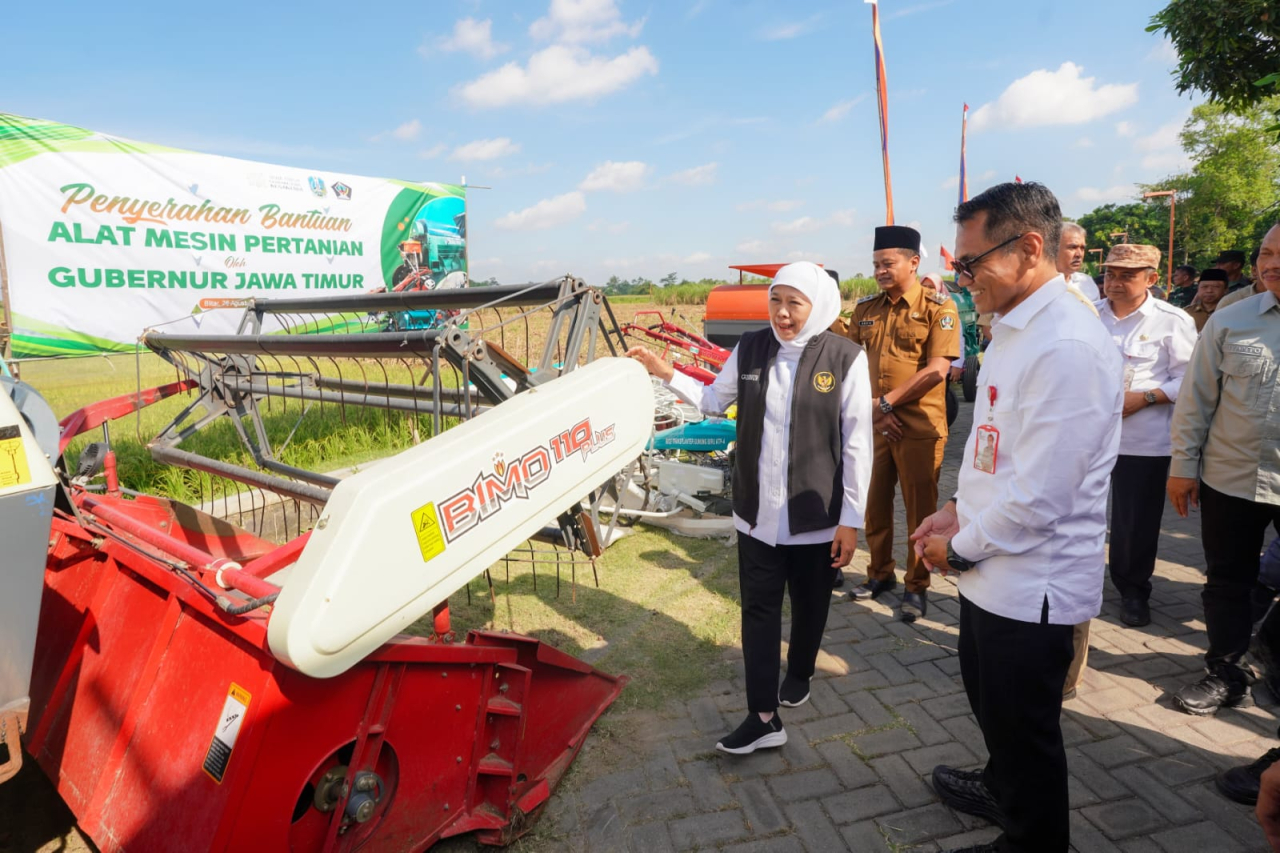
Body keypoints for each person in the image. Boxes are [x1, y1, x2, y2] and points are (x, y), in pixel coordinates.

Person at [911, 182, 1123, 853]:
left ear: (1032, 247)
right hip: (991, 566)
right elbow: (993, 450)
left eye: (972, 264)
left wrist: (958, 547)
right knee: (992, 704)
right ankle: (1001, 785)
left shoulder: (1066, 345)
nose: (964, 278)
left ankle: (1032, 839)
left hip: (1032, 582)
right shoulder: (1013, 329)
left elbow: (1041, 494)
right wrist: (951, 510)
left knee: (1025, 727)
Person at [627, 261, 873, 754]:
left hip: (816, 515)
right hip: (757, 511)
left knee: (810, 605)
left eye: (794, 303)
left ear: (817, 305)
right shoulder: (752, 347)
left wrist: (851, 521)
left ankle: (800, 668)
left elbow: (857, 443)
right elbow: (714, 401)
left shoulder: (845, 358)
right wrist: (665, 371)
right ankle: (763, 716)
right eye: (776, 301)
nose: (782, 313)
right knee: (758, 611)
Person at [1169, 223, 1280, 716]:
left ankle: (1268, 660)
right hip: (1230, 477)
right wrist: (1181, 467)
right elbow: (1196, 398)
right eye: (1265, 252)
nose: (1271, 262)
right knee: (1226, 582)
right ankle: (1226, 671)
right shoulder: (1232, 318)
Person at [846, 226, 961, 622]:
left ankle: (916, 586)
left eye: (887, 263)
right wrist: (873, 411)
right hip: (875, 426)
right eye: (876, 264)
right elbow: (850, 364)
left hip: (918, 427)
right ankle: (879, 575)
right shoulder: (865, 310)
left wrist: (886, 404)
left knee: (921, 512)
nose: (879, 270)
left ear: (913, 263)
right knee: (874, 506)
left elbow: (937, 370)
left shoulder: (938, 308)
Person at [1095, 244, 1197, 627]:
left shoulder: (1173, 321)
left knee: (1135, 522)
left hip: (1144, 439)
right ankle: (1076, 578)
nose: (1115, 282)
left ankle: (1133, 589)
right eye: (1110, 274)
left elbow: (1190, 377)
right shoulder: (1090, 317)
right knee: (1076, 510)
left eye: (1127, 275)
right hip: (1091, 435)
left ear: (1152, 279)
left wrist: (1149, 397)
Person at [1058, 221, 1101, 301]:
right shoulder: (1037, 285)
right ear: (1054, 248)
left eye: (1082, 248)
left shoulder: (1086, 283)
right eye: (1073, 247)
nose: (1079, 254)